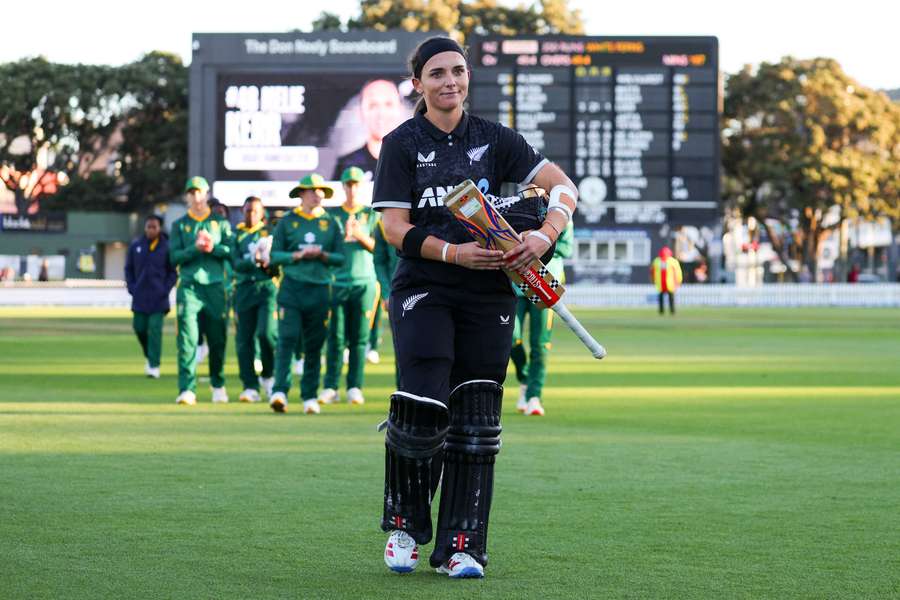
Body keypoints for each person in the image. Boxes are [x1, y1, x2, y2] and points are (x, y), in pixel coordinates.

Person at [372, 36, 578, 579]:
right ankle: (404, 525)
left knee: (477, 420)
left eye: (458, 71)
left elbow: (562, 188)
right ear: (418, 84)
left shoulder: (495, 138)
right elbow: (392, 227)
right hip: (425, 287)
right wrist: (452, 252)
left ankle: (462, 544)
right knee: (422, 405)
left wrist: (544, 235)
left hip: (489, 293)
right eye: (437, 73)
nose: (450, 82)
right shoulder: (400, 143)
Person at [266, 174, 345, 415]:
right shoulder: (287, 221)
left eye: (321, 190)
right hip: (292, 287)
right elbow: (274, 256)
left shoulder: (331, 223)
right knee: (287, 339)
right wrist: (296, 256)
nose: (317, 194)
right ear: (301, 194)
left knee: (314, 344)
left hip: (320, 289)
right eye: (312, 190)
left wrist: (322, 255)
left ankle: (309, 395)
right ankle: (279, 391)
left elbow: (340, 258)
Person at [169, 176, 234, 405]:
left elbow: (231, 252)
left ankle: (218, 384)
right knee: (187, 339)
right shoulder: (180, 225)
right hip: (189, 286)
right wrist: (195, 249)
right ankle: (187, 388)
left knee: (217, 338)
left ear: (206, 194)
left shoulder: (220, 223)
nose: (196, 197)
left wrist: (212, 247)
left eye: (200, 192)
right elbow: (174, 257)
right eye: (192, 192)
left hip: (215, 286)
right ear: (187, 196)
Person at [320, 166, 380, 406]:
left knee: (359, 338)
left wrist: (360, 235)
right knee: (335, 337)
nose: (352, 189)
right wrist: (343, 236)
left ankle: (354, 386)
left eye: (356, 184)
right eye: (348, 184)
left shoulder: (372, 214)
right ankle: (330, 386)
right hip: (338, 282)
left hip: (364, 282)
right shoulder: (332, 216)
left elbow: (381, 248)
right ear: (343, 187)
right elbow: (325, 250)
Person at [510, 220, 573, 417]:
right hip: (516, 284)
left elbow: (565, 248)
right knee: (511, 339)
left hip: (546, 285)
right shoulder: (518, 208)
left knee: (540, 344)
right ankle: (526, 379)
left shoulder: (561, 212)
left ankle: (534, 396)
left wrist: (537, 244)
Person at [232, 196, 278, 403]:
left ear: (262, 213)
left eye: (255, 210)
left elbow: (277, 261)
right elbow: (234, 263)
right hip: (243, 289)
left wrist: (269, 261)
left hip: (266, 288)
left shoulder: (270, 233)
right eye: (248, 210)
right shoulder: (236, 235)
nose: (251, 214)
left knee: (266, 334)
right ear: (243, 211)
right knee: (244, 340)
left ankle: (268, 375)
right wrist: (253, 260)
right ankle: (249, 385)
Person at [124, 215, 178, 378]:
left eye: (154, 227)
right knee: (139, 328)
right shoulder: (136, 246)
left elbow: (172, 272)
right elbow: (129, 268)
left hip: (158, 298)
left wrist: (165, 289)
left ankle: (154, 365)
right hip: (139, 296)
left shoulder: (167, 247)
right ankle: (149, 355)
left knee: (155, 330)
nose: (151, 230)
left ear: (159, 228)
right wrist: (132, 287)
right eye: (148, 226)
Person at [332, 79, 405, 180]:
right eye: (373, 106)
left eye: (388, 104)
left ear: (400, 109)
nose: (381, 114)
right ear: (360, 112)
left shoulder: (415, 161)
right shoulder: (347, 166)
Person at [371, 213, 399, 379]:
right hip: (400, 294)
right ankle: (404, 397)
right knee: (403, 351)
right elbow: (379, 260)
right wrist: (387, 293)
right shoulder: (383, 222)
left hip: (435, 291)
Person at [650, 246, 682, 315]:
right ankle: (661, 311)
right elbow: (652, 272)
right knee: (661, 298)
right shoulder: (656, 261)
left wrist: (678, 281)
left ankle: (672, 311)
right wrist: (653, 280)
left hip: (670, 283)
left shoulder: (673, 261)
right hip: (660, 283)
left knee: (671, 298)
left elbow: (678, 272)